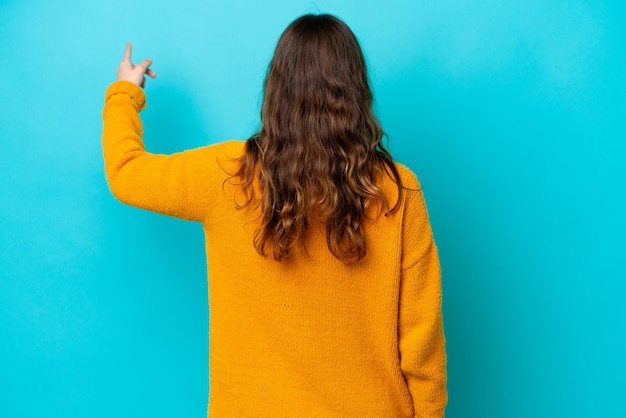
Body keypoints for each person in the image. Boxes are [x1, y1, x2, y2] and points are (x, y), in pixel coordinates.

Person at [102, 13, 446, 418]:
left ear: (276, 88)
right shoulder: (395, 190)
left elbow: (126, 173)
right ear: (356, 90)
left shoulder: (227, 175)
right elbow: (422, 339)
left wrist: (126, 92)